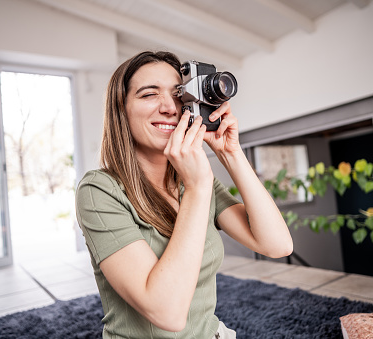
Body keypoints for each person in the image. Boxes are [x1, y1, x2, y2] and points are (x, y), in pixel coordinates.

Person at [75, 51, 293, 339]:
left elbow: (277, 245)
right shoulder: (99, 191)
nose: (169, 107)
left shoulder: (191, 181)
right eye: (149, 94)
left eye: (178, 94)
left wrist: (231, 154)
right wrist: (197, 187)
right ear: (121, 109)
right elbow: (167, 313)